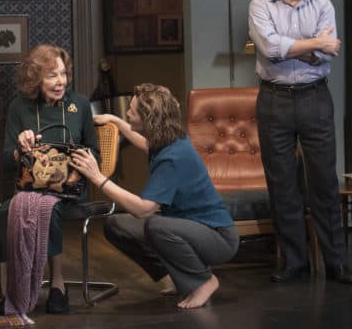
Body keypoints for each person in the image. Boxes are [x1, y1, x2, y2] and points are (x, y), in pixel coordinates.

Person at [72, 83, 239, 309]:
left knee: (156, 225)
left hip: (218, 237)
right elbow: (145, 143)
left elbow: (143, 209)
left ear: (148, 118)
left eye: (131, 111)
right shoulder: (168, 139)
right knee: (116, 225)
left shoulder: (172, 156)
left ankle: (204, 281)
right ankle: (172, 277)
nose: (128, 113)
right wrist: (118, 122)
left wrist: (97, 177)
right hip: (190, 227)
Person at [247, 0, 352, 284]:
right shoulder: (260, 5)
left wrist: (299, 48)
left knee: (324, 181)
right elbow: (270, 49)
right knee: (282, 185)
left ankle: (336, 262)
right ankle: (294, 262)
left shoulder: (322, 4)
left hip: (314, 98)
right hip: (274, 100)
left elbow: (328, 53)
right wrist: (312, 45)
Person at [0, 44, 100, 315]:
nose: (61, 82)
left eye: (63, 74)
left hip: (70, 188)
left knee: (48, 207)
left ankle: (57, 284)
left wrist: (78, 159)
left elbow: (95, 152)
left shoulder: (80, 105)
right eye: (52, 75)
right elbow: (8, 160)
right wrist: (21, 148)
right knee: (5, 211)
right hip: (31, 186)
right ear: (35, 78)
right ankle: (15, 288)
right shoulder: (19, 108)